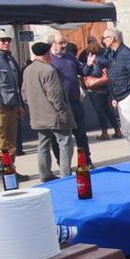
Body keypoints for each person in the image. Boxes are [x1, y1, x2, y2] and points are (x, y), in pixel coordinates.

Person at [21, 42, 74, 182]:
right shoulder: (48, 70)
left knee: (43, 144)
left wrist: (34, 106)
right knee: (65, 142)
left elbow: (24, 93)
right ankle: (65, 174)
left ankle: (44, 174)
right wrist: (62, 111)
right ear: (45, 55)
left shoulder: (28, 70)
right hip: (54, 115)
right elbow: (55, 95)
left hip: (37, 115)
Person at [101, 27, 130, 159]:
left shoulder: (126, 53)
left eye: (105, 38)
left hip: (129, 96)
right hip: (121, 96)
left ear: (113, 39)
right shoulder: (113, 53)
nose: (103, 41)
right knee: (127, 131)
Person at [49, 32, 93, 167]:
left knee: (81, 134)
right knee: (59, 138)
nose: (64, 45)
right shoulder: (48, 59)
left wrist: (89, 65)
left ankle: (86, 161)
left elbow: (83, 71)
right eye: (61, 43)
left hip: (74, 102)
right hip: (59, 105)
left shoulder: (69, 56)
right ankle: (62, 164)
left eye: (65, 42)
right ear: (53, 44)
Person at [0, 29, 27, 176]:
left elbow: (15, 84)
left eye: (8, 40)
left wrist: (19, 104)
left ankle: (10, 170)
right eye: (2, 40)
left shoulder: (10, 58)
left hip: (12, 105)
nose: (6, 42)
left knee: (11, 142)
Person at [80, 37, 121, 141]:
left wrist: (87, 70)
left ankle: (105, 133)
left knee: (100, 111)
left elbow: (96, 73)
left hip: (97, 89)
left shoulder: (94, 59)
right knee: (108, 110)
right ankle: (117, 130)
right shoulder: (104, 57)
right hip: (106, 87)